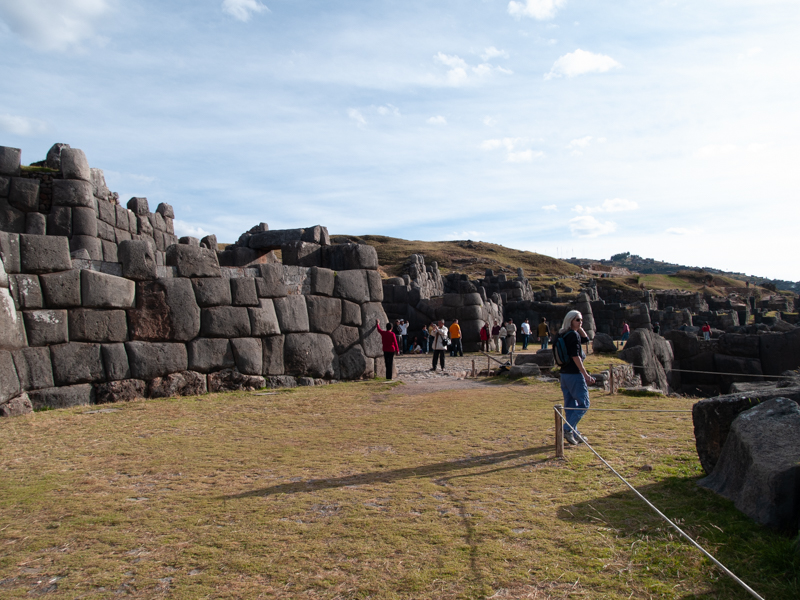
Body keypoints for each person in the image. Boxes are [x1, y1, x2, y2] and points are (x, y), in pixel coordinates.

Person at [558, 310, 595, 445]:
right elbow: (575, 356)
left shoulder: (562, 334)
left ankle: (574, 433)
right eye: (577, 320)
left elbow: (586, 339)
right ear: (570, 320)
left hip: (564, 375)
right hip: (574, 375)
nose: (581, 322)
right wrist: (585, 374)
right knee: (584, 404)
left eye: (581, 320)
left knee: (570, 406)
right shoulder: (573, 335)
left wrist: (579, 327)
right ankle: (567, 429)